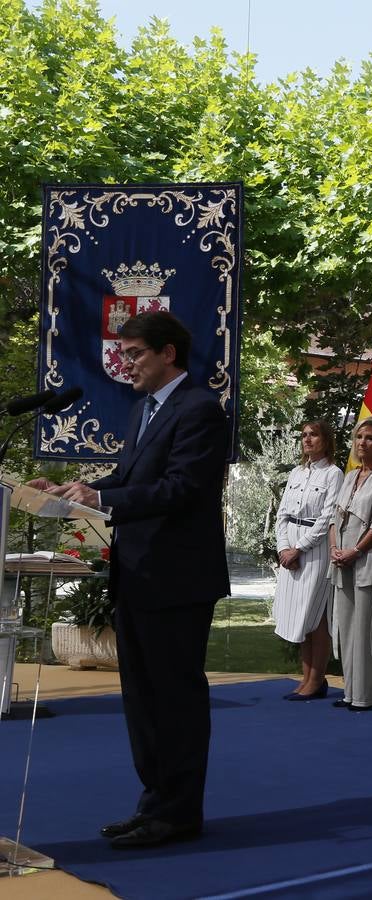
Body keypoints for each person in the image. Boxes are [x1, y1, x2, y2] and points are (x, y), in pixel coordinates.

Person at [32, 310, 229, 848]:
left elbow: (182, 487)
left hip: (178, 579)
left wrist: (105, 499)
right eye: (124, 352)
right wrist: (76, 489)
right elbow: (129, 478)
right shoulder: (143, 409)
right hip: (138, 574)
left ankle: (180, 812)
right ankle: (153, 805)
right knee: (142, 702)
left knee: (175, 700)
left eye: (136, 352)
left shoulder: (201, 410)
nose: (125, 362)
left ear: (168, 353)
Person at [274, 420, 343, 700]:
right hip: (290, 545)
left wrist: (299, 548)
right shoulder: (296, 473)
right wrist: (283, 548)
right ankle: (305, 679)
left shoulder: (333, 474)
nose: (307, 439)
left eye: (313, 435)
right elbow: (282, 513)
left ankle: (316, 679)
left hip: (314, 550)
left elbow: (328, 518)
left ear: (325, 439)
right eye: (304, 435)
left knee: (315, 618)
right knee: (298, 616)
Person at [329, 417, 372, 712]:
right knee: (346, 626)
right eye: (359, 437)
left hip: (367, 557)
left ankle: (368, 695)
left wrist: (355, 550)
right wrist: (335, 548)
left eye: (369, 438)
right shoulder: (349, 476)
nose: (362, 443)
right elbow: (334, 516)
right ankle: (350, 692)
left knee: (366, 626)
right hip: (342, 558)